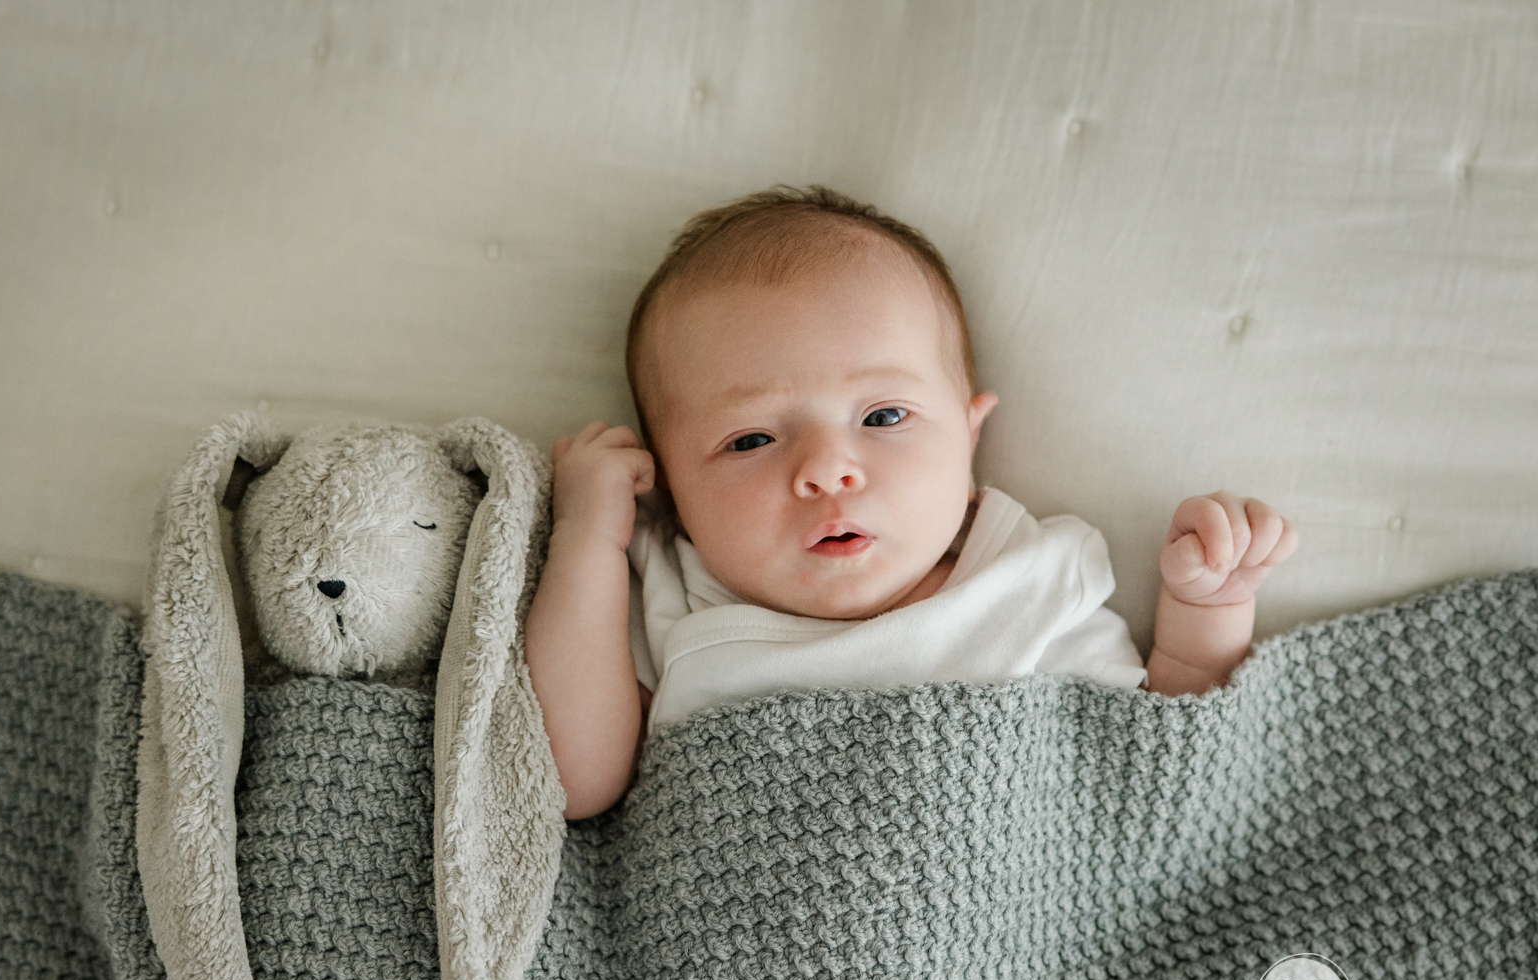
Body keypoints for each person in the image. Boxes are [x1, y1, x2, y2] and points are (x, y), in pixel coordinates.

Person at [527, 185, 1298, 821]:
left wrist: (1208, 615)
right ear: (669, 484)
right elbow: (572, 781)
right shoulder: (676, 594)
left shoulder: (1025, 578)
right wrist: (587, 540)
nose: (827, 471)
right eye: (752, 439)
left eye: (884, 417)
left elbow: (1159, 777)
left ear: (968, 439)